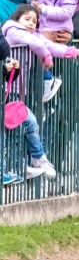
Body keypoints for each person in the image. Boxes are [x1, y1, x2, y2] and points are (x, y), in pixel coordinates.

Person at [0, 32, 51, 181]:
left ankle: (38, 157)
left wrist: (12, 69)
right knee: (3, 137)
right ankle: (6, 171)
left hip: (4, 99)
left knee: (30, 120)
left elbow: (4, 57)